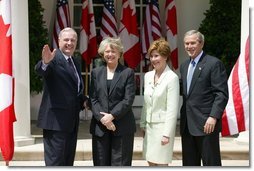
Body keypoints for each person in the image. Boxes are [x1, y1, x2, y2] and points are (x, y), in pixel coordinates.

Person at [35, 27, 88, 166]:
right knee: (56, 163)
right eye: (66, 39)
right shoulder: (53, 58)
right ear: (59, 41)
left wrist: (85, 100)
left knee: (67, 162)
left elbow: (73, 90)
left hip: (71, 122)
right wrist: (45, 63)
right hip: (55, 123)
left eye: (73, 40)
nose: (69, 43)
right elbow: (40, 70)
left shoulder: (75, 61)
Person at [179, 30, 229, 166]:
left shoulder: (213, 64)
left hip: (207, 124)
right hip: (187, 125)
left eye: (192, 43)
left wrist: (213, 117)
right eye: (186, 43)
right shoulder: (184, 66)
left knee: (210, 163)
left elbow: (221, 93)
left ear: (201, 44)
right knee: (189, 164)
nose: (189, 46)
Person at [89, 37, 136, 166]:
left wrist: (112, 116)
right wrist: (103, 119)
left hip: (122, 127)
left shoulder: (128, 72)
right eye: (107, 51)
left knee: (120, 164)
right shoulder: (95, 73)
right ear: (102, 53)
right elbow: (93, 99)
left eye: (113, 51)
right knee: (100, 164)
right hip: (100, 128)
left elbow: (128, 99)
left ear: (120, 53)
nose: (110, 54)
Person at [140, 38, 180, 166]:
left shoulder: (172, 78)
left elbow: (172, 109)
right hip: (149, 128)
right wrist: (143, 124)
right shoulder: (147, 76)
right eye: (151, 56)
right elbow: (146, 103)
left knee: (161, 164)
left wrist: (167, 134)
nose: (153, 59)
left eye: (156, 56)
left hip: (163, 129)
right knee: (150, 162)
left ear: (165, 56)